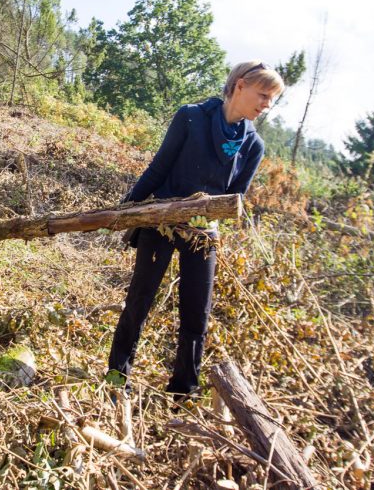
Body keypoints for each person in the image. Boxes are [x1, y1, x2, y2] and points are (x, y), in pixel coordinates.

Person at [107, 61, 285, 398]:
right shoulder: (191, 116)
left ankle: (183, 393)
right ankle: (117, 378)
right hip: (162, 220)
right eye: (263, 95)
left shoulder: (252, 146)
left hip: (203, 234)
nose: (267, 104)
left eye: (272, 99)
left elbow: (236, 198)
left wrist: (210, 219)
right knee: (139, 301)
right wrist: (126, 209)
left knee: (196, 314)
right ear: (240, 85)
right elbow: (158, 168)